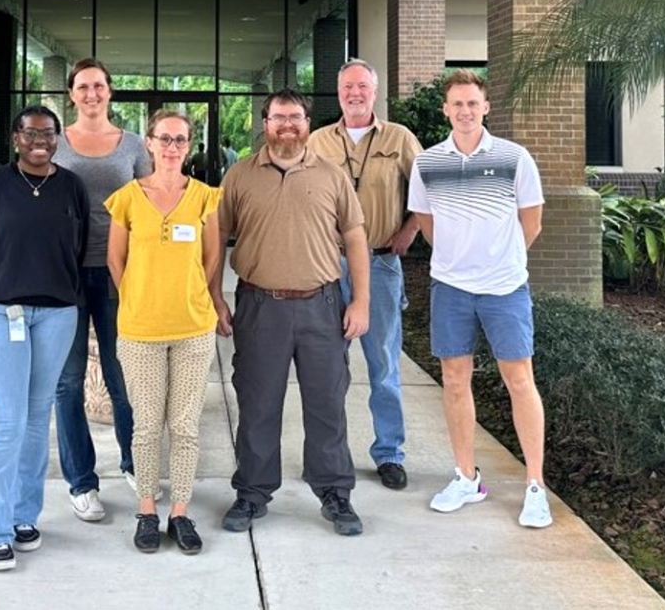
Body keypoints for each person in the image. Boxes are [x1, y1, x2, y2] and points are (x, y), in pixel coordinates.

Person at [217, 88, 371, 537]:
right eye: (279, 117)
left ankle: (334, 492)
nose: (288, 124)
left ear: (307, 123)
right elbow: (216, 237)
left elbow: (356, 239)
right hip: (259, 306)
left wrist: (360, 301)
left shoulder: (331, 175)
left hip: (322, 307)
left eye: (297, 117)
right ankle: (252, 491)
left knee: (326, 404)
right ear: (265, 124)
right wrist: (214, 296)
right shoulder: (240, 176)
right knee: (258, 403)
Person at [407, 70, 553, 528]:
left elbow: (532, 221)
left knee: (519, 379)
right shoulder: (428, 163)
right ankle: (466, 477)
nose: (465, 111)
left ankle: (535, 486)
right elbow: (426, 225)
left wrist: (499, 260)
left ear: (486, 108)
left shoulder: (514, 158)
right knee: (454, 380)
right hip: (450, 288)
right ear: (445, 110)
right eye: (457, 104)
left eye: (473, 103)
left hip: (505, 288)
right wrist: (459, 261)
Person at [0, 106, 90, 571]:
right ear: (16, 138)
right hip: (2, 311)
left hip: (57, 314)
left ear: (58, 139)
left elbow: (76, 247)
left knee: (37, 418)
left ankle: (23, 516)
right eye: (31, 132)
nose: (40, 140)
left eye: (49, 133)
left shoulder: (71, 187)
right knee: (9, 421)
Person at [105, 110, 227, 555]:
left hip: (193, 328)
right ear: (149, 144)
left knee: (186, 425)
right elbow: (115, 260)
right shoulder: (126, 198)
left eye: (180, 140)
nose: (172, 147)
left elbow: (213, 259)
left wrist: (197, 298)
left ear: (188, 146)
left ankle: (179, 510)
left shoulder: (205, 198)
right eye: (164, 139)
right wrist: (137, 297)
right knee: (146, 425)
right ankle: (146, 511)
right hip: (140, 330)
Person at [306, 59, 425, 491]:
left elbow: (427, 192)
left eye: (362, 86)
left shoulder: (400, 139)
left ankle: (389, 452)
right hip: (326, 265)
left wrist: (410, 230)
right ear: (338, 93)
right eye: (347, 87)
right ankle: (327, 454)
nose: (354, 93)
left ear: (375, 92)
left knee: (384, 364)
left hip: (379, 264)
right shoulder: (317, 141)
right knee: (327, 367)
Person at [50, 57, 150, 522]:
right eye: (83, 86)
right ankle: (81, 481)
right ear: (72, 93)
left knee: (122, 377)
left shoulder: (132, 145)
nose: (92, 93)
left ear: (111, 92)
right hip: (64, 275)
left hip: (117, 274)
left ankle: (135, 463)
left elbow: (150, 206)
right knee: (67, 381)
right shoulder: (54, 143)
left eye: (99, 86)